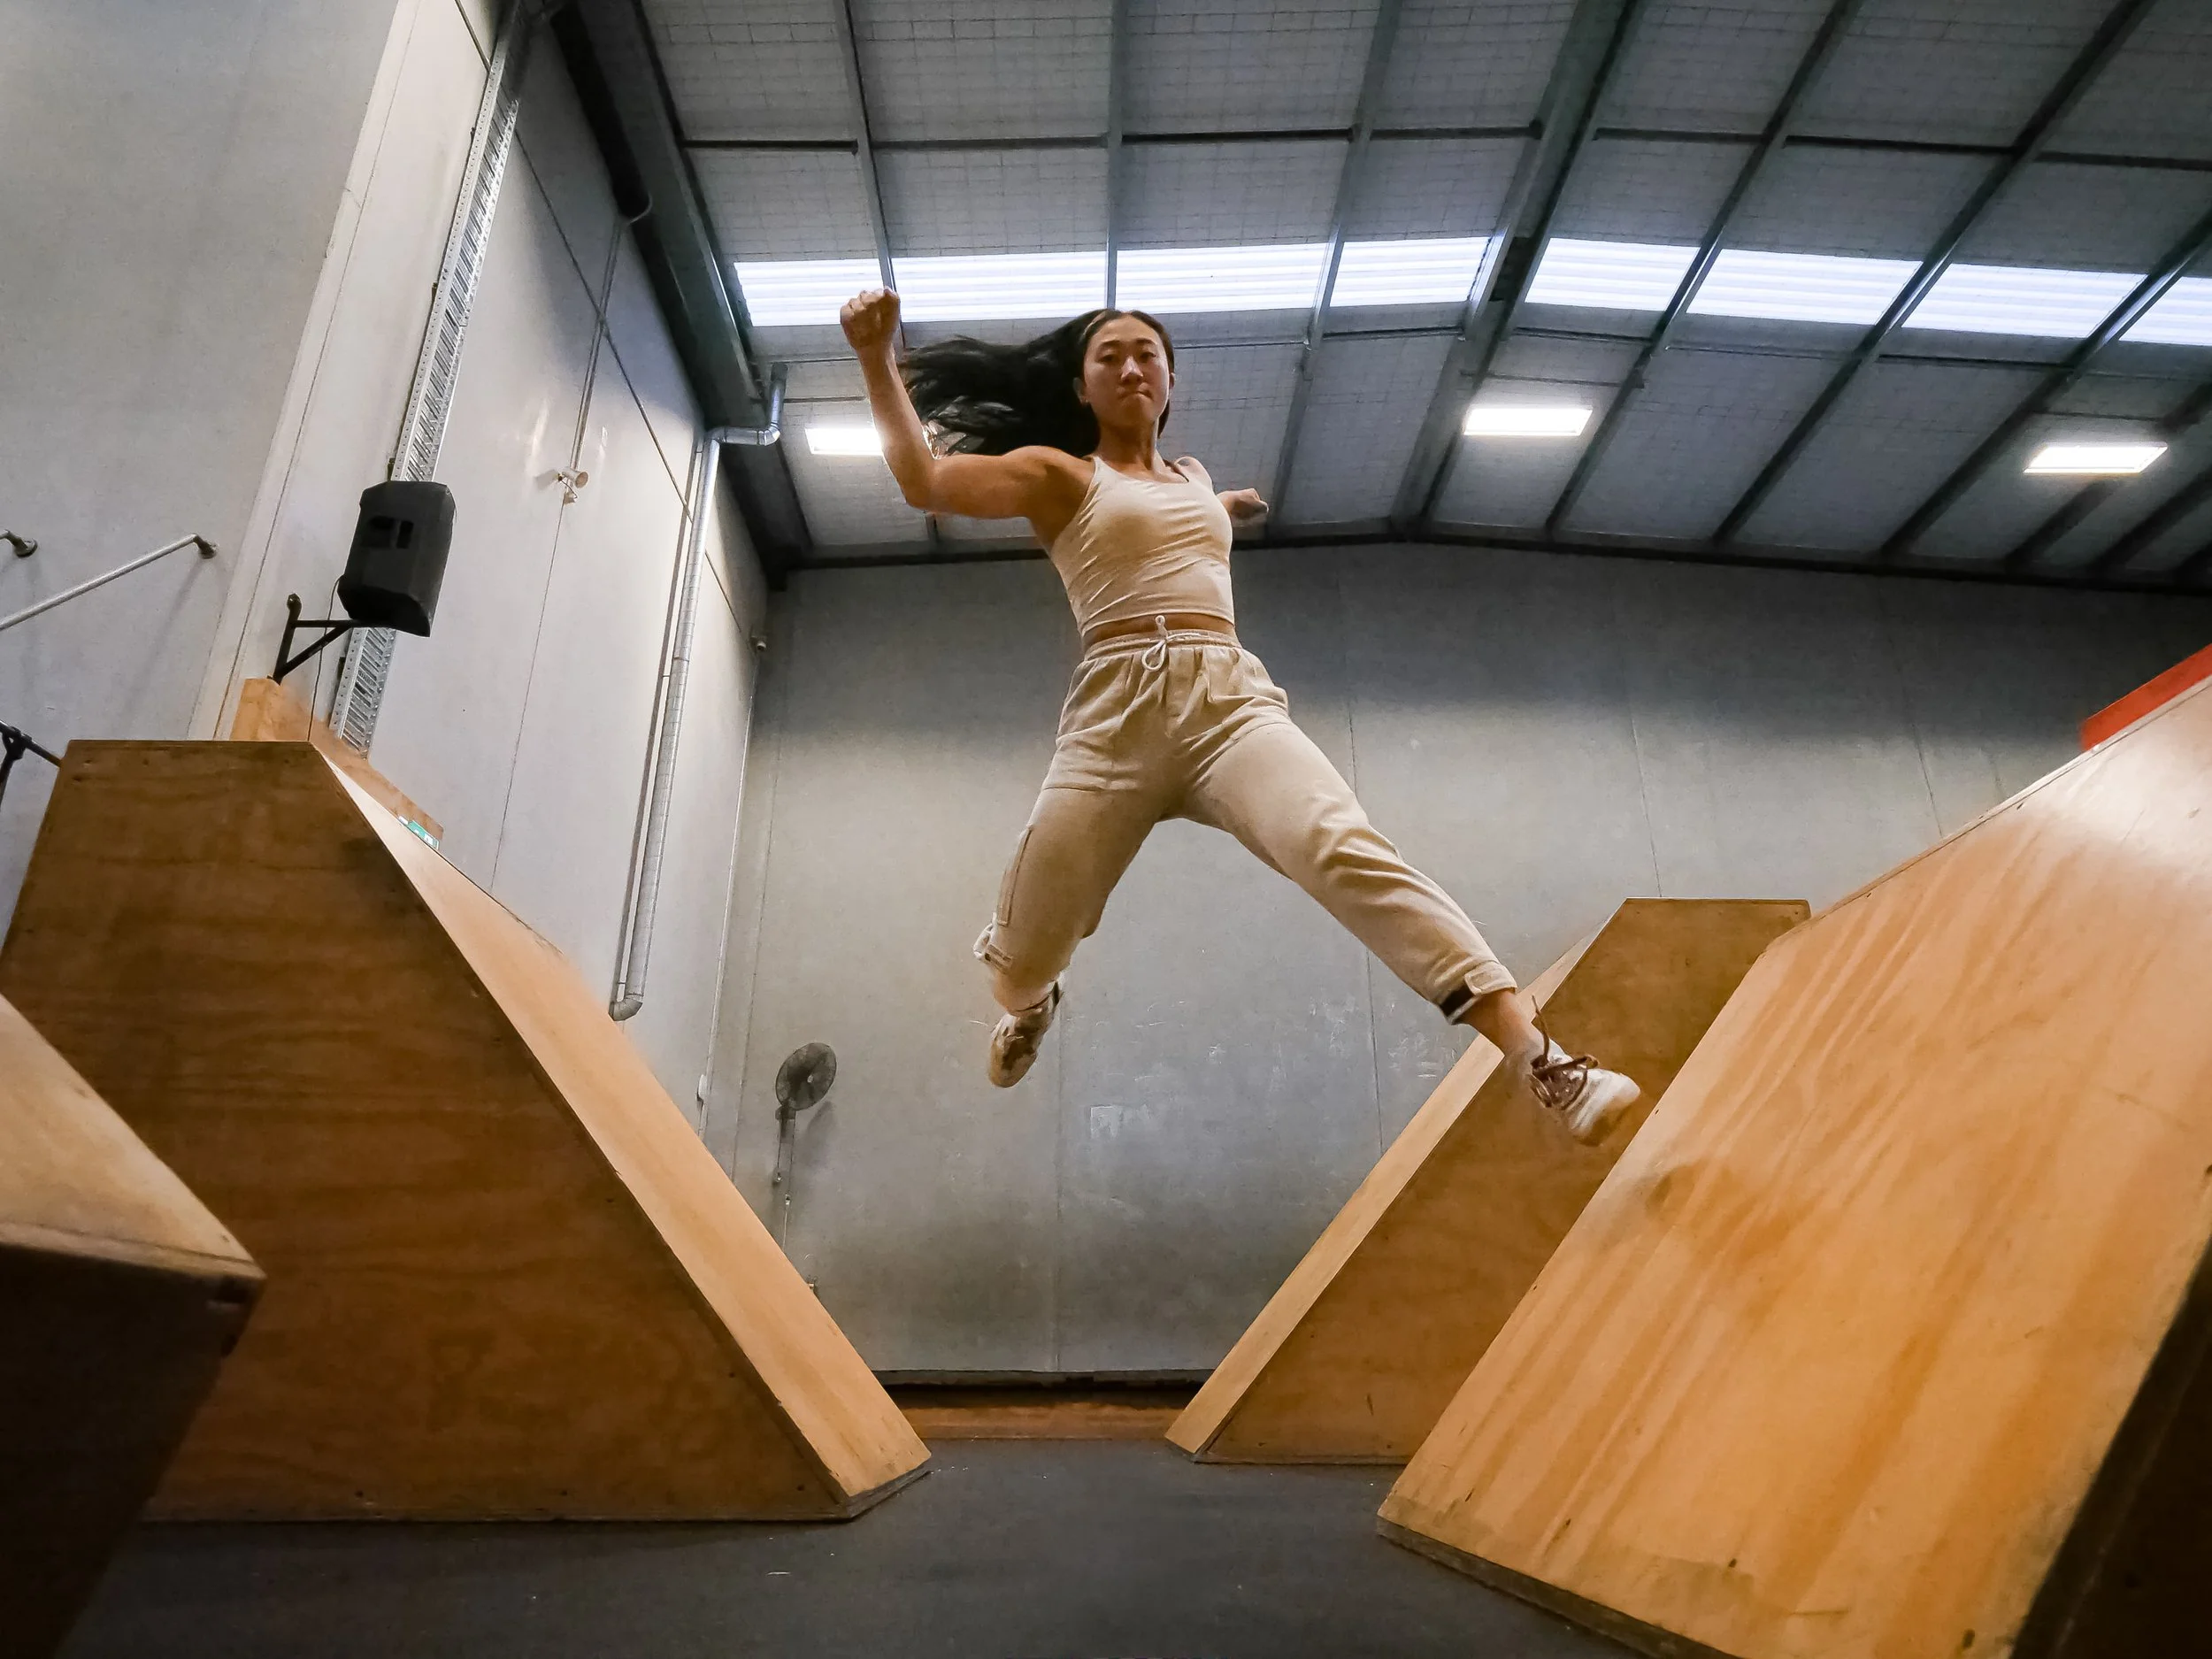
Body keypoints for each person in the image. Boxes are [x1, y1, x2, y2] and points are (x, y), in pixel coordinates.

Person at [839, 288, 1640, 1143]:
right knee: (1021, 957)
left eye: (1146, 353)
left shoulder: (1191, 480)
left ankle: (1543, 1059)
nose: (1130, 366)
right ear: (1081, 388)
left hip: (1229, 709)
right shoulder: (1060, 475)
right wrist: (876, 357)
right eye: (1109, 356)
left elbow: (1170, 525)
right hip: (1115, 720)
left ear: (1169, 382)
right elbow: (924, 481)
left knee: (1341, 846)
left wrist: (1222, 509)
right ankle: (1032, 1003)